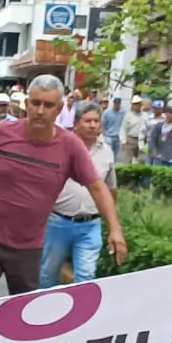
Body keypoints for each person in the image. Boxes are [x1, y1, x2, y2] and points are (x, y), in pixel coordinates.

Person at [0, 75, 127, 301]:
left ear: (59, 109)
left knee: (24, 311)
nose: (39, 110)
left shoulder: (69, 146)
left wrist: (115, 229)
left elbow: (97, 186)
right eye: (35, 103)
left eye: (48, 105)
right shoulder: (2, 132)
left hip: (29, 245)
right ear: (26, 104)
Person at [40, 101, 117, 288]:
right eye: (87, 121)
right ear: (76, 123)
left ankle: (81, 315)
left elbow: (110, 188)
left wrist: (112, 223)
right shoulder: (60, 147)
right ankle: (44, 310)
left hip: (91, 225)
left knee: (86, 276)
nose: (92, 125)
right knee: (48, 273)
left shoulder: (106, 152)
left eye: (96, 121)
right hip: (58, 222)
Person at [119, 96, 147, 164]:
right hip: (130, 140)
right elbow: (123, 128)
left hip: (142, 140)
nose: (136, 106)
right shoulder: (128, 116)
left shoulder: (145, 115)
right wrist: (123, 141)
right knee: (127, 160)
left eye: (138, 104)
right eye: (134, 104)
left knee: (140, 161)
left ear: (141, 104)